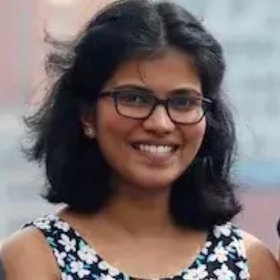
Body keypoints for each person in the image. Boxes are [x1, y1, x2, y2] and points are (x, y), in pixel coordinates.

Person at [1, 0, 280, 279]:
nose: (160, 123)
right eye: (134, 99)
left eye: (183, 102)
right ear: (87, 116)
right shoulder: (34, 259)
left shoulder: (250, 262)